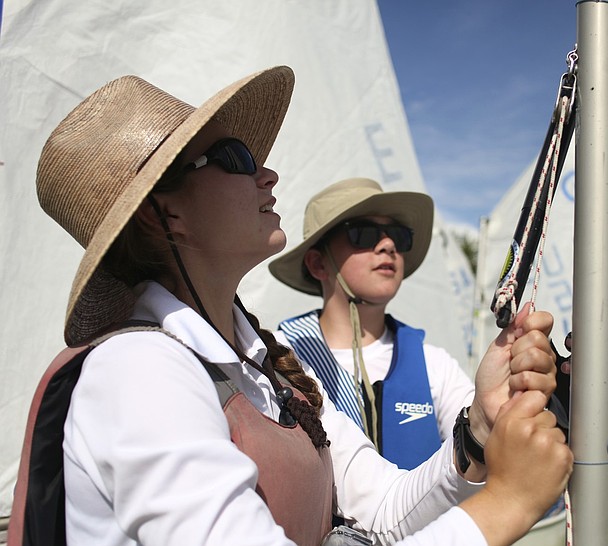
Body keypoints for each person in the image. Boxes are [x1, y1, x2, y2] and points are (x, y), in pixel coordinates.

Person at [10, 66, 572, 546]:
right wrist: (506, 505)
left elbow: (382, 512)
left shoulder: (267, 370)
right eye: (235, 156)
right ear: (164, 214)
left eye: (396, 235)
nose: (269, 172)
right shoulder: (136, 371)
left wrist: (478, 426)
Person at [268, 178, 475, 469]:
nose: (388, 245)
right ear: (318, 264)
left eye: (398, 236)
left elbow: (486, 447)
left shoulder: (435, 365)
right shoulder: (276, 358)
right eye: (363, 234)